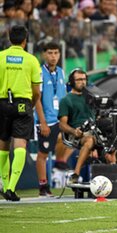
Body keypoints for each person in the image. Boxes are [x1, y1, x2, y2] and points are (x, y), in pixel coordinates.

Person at [0, 25, 42, 201]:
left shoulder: (1, 57)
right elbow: (36, 92)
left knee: (2, 146)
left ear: (9, 39)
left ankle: (4, 184)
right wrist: (30, 105)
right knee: (20, 146)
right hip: (23, 104)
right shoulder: (31, 60)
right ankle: (11, 187)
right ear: (25, 41)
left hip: (2, 103)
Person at [35, 42, 70, 197]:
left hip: (60, 119)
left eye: (56, 53)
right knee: (43, 154)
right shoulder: (39, 73)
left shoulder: (62, 72)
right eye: (50, 53)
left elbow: (63, 98)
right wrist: (42, 122)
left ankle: (60, 162)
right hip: (46, 121)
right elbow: (36, 99)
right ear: (44, 55)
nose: (53, 56)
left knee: (80, 136)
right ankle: (43, 187)